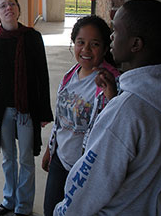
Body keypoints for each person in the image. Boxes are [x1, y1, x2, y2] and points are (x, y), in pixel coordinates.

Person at [54, 0, 161, 216]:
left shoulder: (127, 110)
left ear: (135, 44)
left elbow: (90, 185)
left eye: (116, 31)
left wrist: (63, 211)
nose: (111, 37)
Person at [0, 0, 53, 216]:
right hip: (3, 110)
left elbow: (42, 75)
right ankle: (9, 199)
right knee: (8, 158)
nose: (8, 8)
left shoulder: (33, 37)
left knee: (26, 158)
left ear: (19, 10)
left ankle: (23, 206)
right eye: (2, 6)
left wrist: (44, 111)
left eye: (12, 4)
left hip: (27, 110)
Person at [42, 15, 119, 216]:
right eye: (80, 42)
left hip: (86, 169)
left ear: (104, 48)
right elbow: (61, 118)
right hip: (60, 159)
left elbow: (117, 123)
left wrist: (112, 96)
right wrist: (51, 149)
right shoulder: (71, 73)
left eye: (94, 44)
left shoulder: (111, 80)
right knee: (50, 211)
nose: (85, 49)